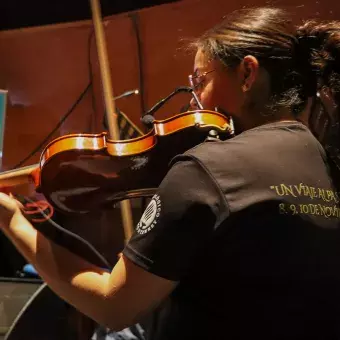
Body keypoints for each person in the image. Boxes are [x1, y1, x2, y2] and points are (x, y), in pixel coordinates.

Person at [1, 6, 340, 339]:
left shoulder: (209, 170)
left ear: (247, 74)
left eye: (200, 80)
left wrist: (13, 221)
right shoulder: (327, 163)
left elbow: (114, 306)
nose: (194, 101)